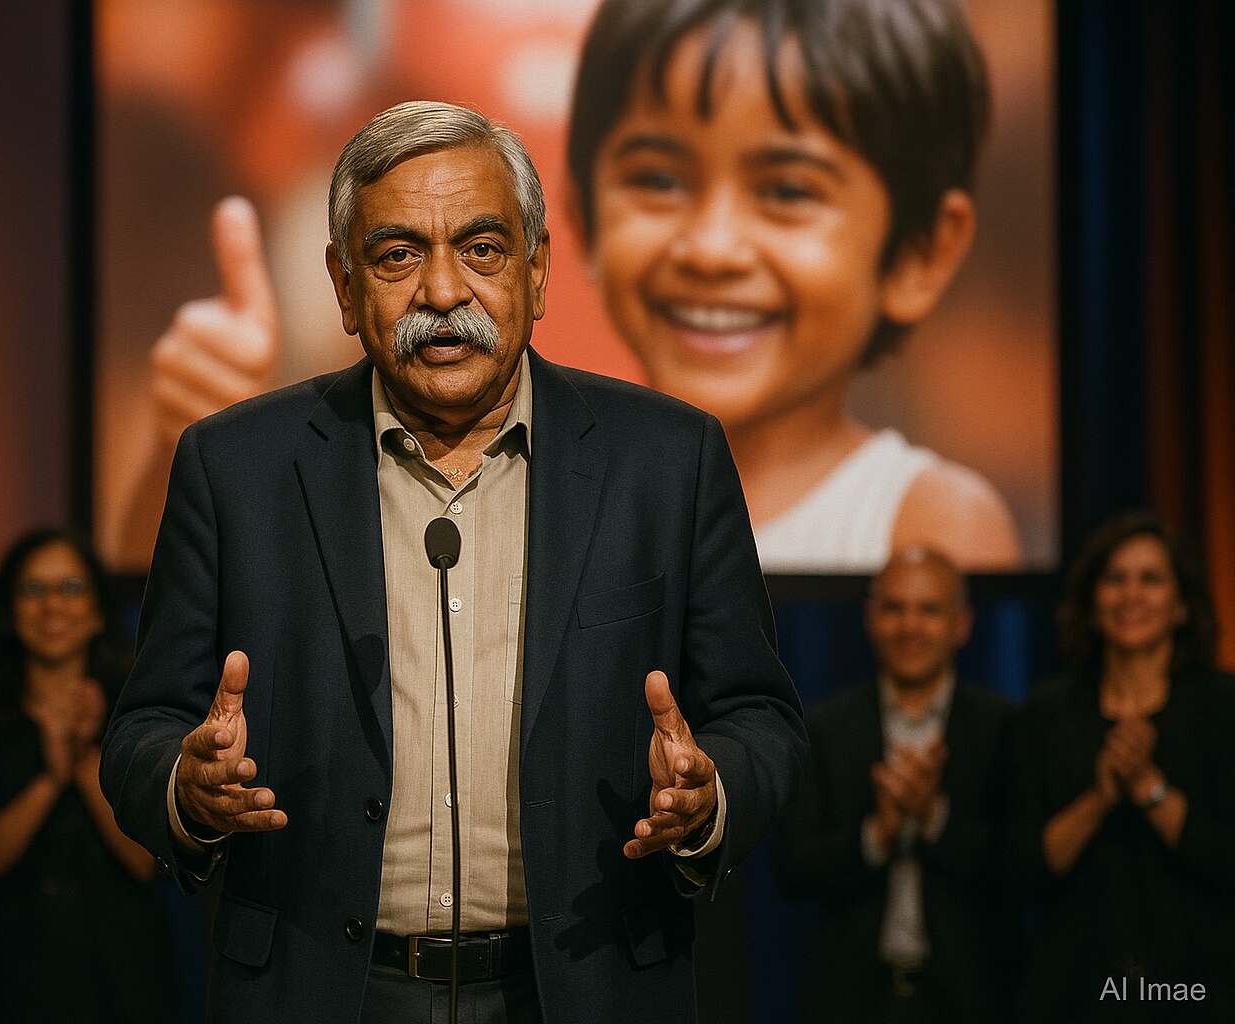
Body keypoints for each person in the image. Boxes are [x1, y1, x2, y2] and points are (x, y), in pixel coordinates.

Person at [101, 101, 806, 1023]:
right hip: (326, 994)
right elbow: (144, 727)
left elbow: (759, 716)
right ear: (345, 289)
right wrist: (186, 788)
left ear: (539, 270)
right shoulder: (236, 468)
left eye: (482, 249)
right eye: (397, 255)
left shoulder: (666, 462)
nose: (442, 291)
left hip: (579, 988)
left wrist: (708, 796)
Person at [139, 0, 1022, 574]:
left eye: (787, 192)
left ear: (918, 254)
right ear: (580, 221)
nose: (711, 247)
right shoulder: (498, 484)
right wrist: (196, 452)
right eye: (659, 179)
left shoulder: (929, 522)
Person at [775, 548, 1015, 1022]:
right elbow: (791, 869)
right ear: (870, 619)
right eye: (894, 608)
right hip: (850, 1002)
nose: (910, 626)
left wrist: (933, 818)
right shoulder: (825, 729)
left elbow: (1022, 868)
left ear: (962, 624)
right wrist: (877, 835)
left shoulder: (1003, 727)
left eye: (929, 609)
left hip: (974, 1001)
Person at [1010, 514, 1234, 1021]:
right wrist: (1102, 797)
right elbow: (1019, 868)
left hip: (1198, 992)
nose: (1131, 594)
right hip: (1074, 993)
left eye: (1150, 578)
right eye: (1115, 578)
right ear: (1091, 603)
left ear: (1180, 605)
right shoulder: (1046, 713)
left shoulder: (1223, 709)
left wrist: (1150, 788)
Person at [0, 528, 170, 1022]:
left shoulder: (139, 717)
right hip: (6, 982)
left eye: (71, 588)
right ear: (11, 610)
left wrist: (82, 760)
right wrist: (49, 778)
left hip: (122, 983)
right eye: (33, 590)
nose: (52, 606)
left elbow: (147, 863)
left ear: (98, 610)